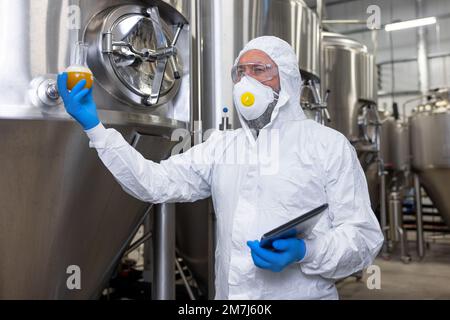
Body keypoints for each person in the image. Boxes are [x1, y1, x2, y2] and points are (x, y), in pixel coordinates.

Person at [57, 36, 384, 300]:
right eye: (239, 72)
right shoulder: (223, 146)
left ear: (286, 81)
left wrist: (306, 251)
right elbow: (153, 183)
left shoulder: (327, 145)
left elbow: (364, 238)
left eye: (258, 69)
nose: (246, 81)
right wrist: (95, 127)